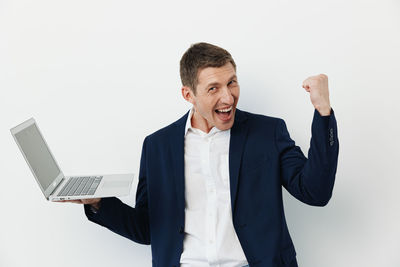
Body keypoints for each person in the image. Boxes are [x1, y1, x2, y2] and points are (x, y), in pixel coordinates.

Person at [63, 42, 339, 267]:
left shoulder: (267, 132)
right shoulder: (157, 146)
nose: (228, 98)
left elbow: (315, 192)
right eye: (213, 88)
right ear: (188, 94)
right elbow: (149, 229)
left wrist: (323, 112)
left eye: (232, 83)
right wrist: (99, 202)